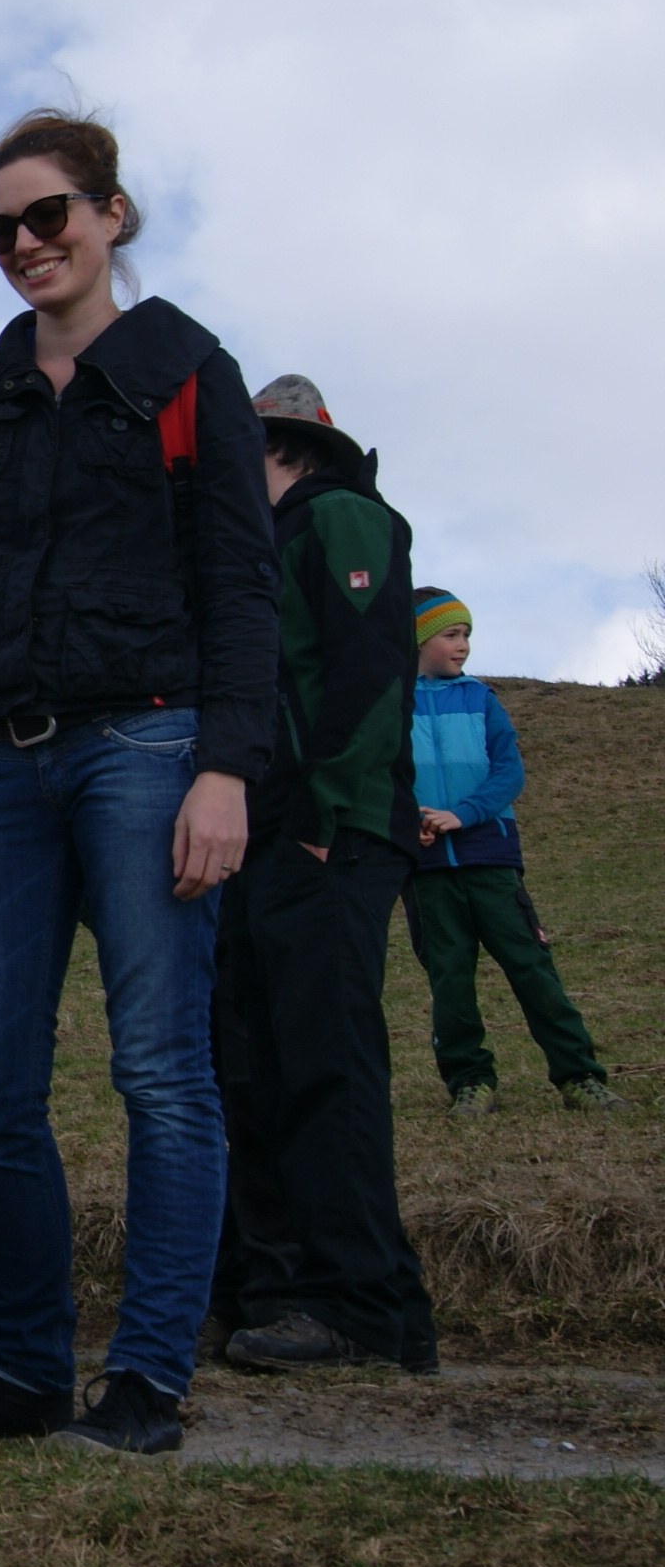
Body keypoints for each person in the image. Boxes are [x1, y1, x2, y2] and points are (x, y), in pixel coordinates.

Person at [0, 109, 278, 1456]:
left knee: (161, 1072)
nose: (24, 244)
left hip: (150, 750)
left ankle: (147, 1382)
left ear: (112, 214)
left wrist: (224, 768)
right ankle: (27, 1376)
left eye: (47, 215)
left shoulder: (189, 372)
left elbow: (241, 588)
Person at [202, 376, 437, 1375]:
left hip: (327, 833)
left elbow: (371, 667)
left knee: (325, 1059)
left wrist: (323, 815)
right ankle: (285, 1290)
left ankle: (360, 1306)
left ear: (285, 449)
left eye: (237, 449)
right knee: (258, 1059)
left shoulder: (340, 515)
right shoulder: (263, 542)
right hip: (267, 835)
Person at [406, 589, 624, 1114]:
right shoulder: (390, 705)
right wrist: (407, 819)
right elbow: (380, 773)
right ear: (416, 639)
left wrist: (463, 814)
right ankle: (470, 1083)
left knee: (532, 967)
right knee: (450, 980)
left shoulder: (481, 699)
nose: (463, 645)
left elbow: (509, 772)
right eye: (450, 635)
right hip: (426, 868)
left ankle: (579, 1076)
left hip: (491, 859)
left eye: (467, 635)